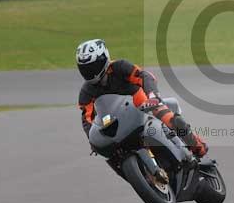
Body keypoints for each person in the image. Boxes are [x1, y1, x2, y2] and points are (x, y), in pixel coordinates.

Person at [75, 39, 208, 157]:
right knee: (111, 153)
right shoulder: (86, 91)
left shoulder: (120, 66)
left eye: (93, 66)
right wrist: (93, 140)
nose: (90, 72)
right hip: (117, 119)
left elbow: (144, 76)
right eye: (85, 68)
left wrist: (152, 95)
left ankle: (197, 145)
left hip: (142, 104)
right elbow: (87, 120)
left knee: (167, 117)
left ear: (104, 58)